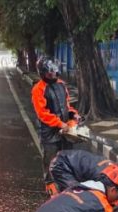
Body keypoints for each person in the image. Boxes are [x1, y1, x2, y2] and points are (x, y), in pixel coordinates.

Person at [31, 57, 79, 197]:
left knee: (67, 158)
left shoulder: (61, 85)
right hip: (49, 132)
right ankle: (50, 186)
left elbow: (67, 106)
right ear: (43, 73)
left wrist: (73, 115)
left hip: (64, 130)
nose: (52, 75)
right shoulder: (38, 89)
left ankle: (67, 186)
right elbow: (43, 113)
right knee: (50, 159)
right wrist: (60, 124)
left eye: (54, 72)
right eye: (49, 73)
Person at [49, 150, 118, 196]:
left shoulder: (116, 170)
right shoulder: (107, 180)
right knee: (76, 196)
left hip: (70, 159)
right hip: (62, 166)